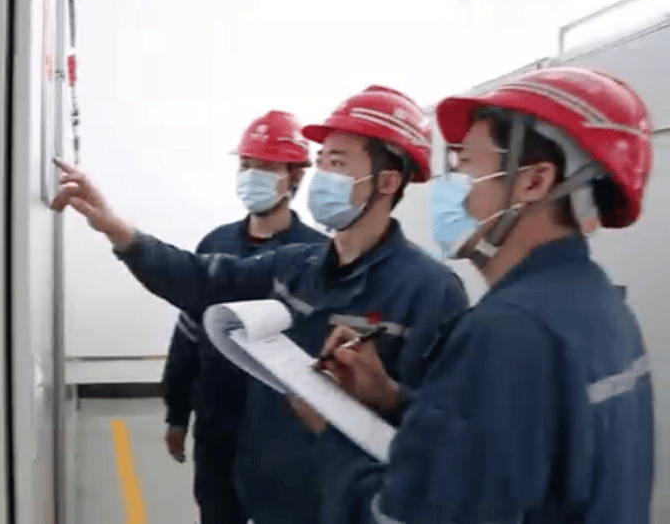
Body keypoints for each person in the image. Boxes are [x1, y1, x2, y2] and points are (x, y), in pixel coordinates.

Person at [50, 85, 469, 524]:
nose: (323, 175)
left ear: (387, 182)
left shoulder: (430, 290)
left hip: (345, 504)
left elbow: (444, 425)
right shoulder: (297, 266)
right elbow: (197, 279)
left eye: (339, 163)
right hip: (266, 495)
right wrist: (117, 230)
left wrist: (385, 395)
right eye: (322, 160)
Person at [308, 66, 655, 523]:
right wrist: (392, 400)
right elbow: (504, 448)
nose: (447, 189)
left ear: (533, 182)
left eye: (465, 165)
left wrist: (331, 426)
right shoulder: (602, 307)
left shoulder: (511, 329)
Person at [161, 110, 328, 524]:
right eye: (246, 165)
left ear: (295, 176)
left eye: (266, 167)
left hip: (285, 438)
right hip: (218, 428)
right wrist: (177, 412)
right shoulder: (215, 244)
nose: (252, 176)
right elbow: (188, 335)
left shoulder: (317, 255)